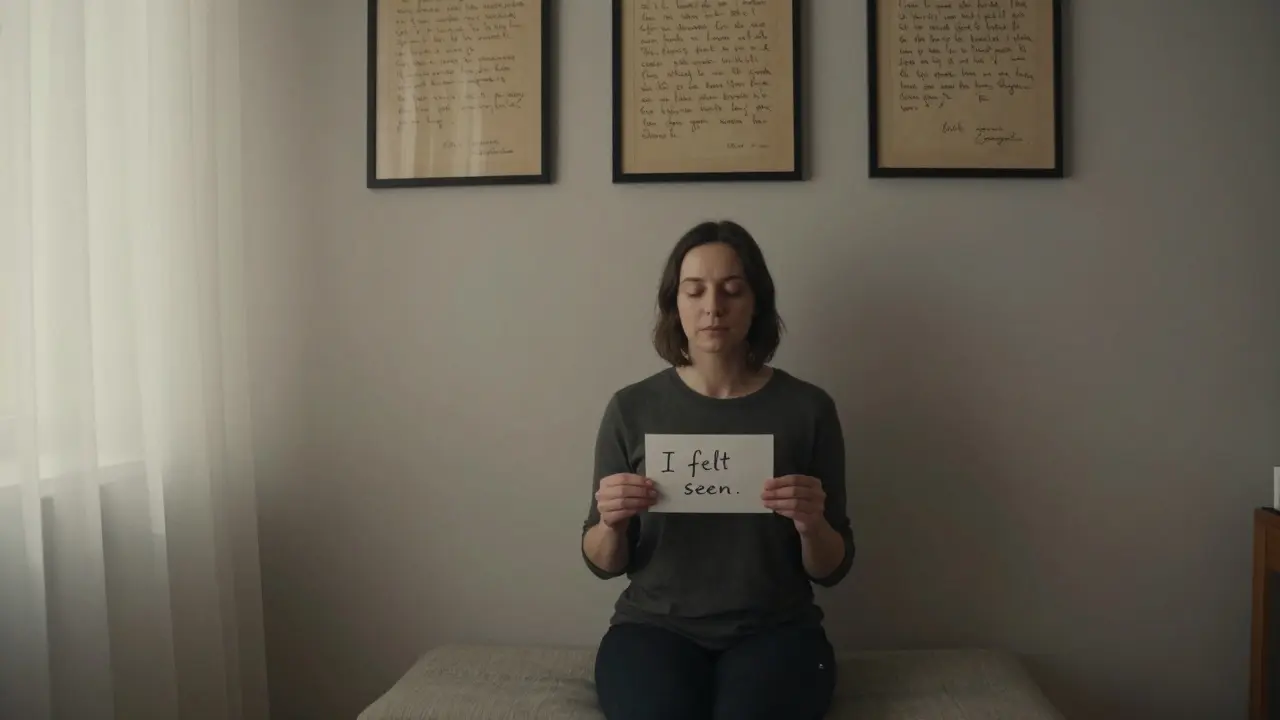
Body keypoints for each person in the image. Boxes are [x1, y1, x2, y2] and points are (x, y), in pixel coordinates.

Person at [580, 220, 856, 720]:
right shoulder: (631, 408)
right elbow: (602, 562)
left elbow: (834, 567)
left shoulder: (808, 409)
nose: (713, 307)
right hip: (652, 630)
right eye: (695, 290)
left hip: (777, 631)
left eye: (732, 290)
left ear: (756, 304)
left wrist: (813, 526)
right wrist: (610, 522)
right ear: (675, 304)